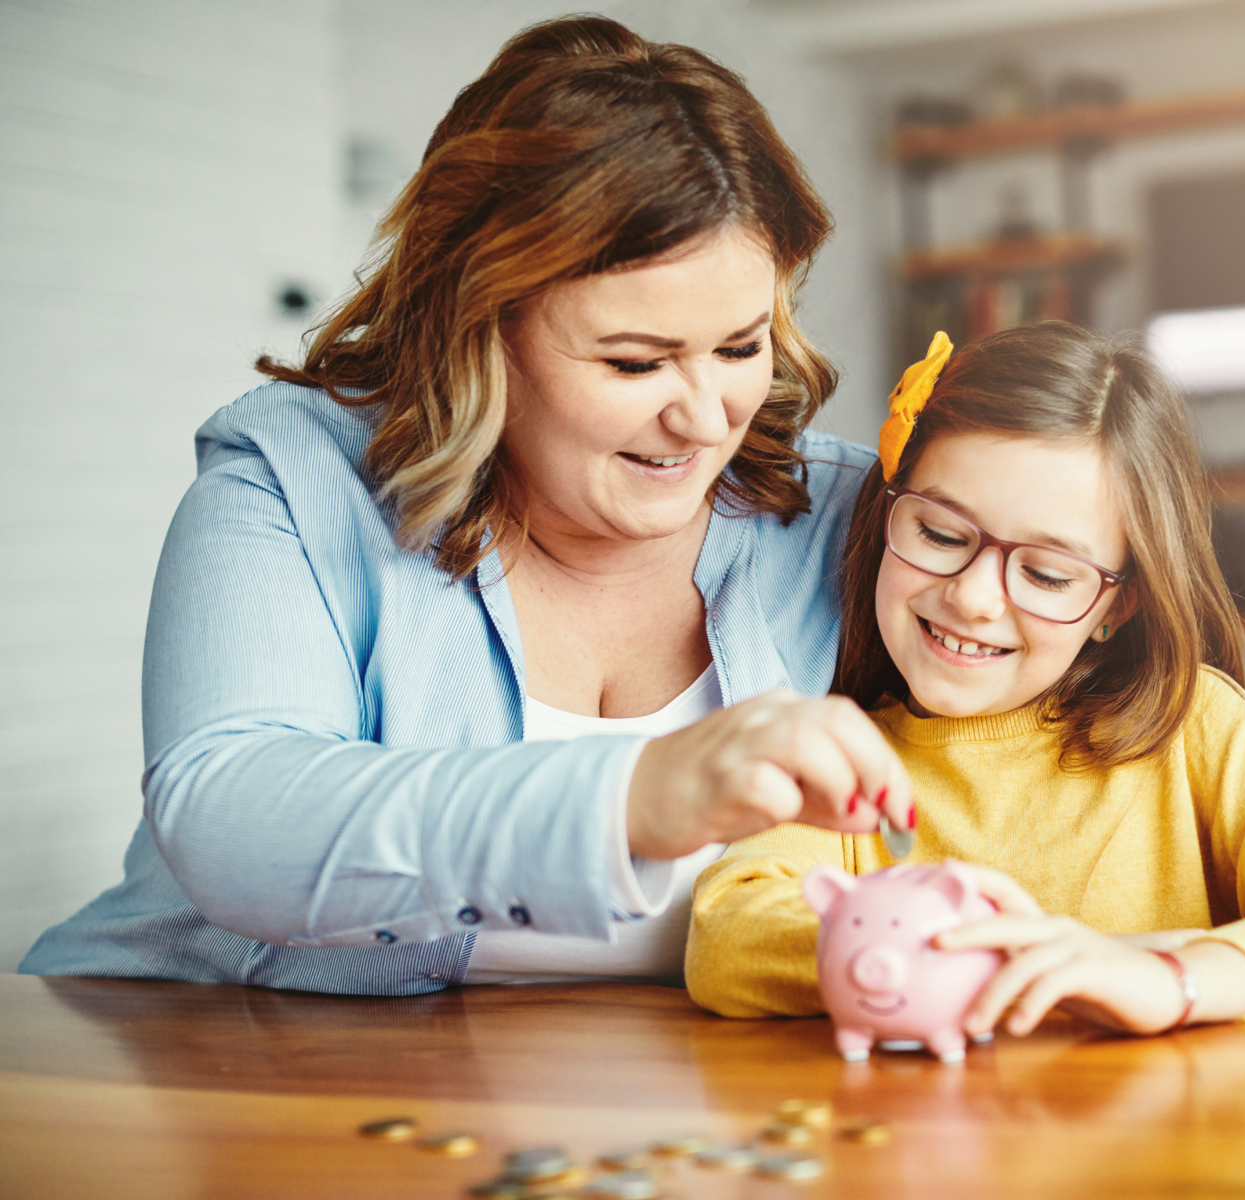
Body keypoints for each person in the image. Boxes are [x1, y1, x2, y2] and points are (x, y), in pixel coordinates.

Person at [21, 16, 911, 995]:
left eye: (740, 347)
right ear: (479, 329)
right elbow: (229, 817)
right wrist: (631, 799)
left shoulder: (841, 515)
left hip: (667, 1109)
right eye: (634, 361)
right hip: (197, 1071)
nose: (704, 418)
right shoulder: (293, 477)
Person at [686, 323, 1245, 1033]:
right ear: (886, 515)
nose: (974, 599)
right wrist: (966, 955)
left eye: (1046, 574)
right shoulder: (846, 759)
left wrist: (1171, 979)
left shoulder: (1194, 729)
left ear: (1116, 604)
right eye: (941, 534)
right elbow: (728, 936)